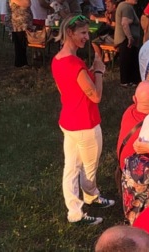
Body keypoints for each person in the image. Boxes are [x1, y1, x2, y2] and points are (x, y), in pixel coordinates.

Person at [51, 15, 115, 225]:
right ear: (70, 33)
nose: (87, 37)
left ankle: (79, 207)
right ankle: (86, 202)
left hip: (68, 119)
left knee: (71, 167)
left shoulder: (58, 59)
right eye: (83, 33)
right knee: (88, 168)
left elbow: (63, 90)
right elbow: (95, 96)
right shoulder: (74, 64)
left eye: (87, 33)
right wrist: (98, 71)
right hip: (85, 123)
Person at [114, 0, 141, 87]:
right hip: (126, 39)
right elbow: (125, 23)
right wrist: (129, 37)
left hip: (126, 39)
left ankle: (130, 81)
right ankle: (127, 81)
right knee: (127, 60)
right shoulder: (126, 7)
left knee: (130, 60)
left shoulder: (125, 6)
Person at [10, 0, 33, 67]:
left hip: (24, 23)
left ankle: (23, 62)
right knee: (20, 43)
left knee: (23, 43)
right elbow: (27, 3)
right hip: (19, 24)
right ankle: (20, 63)